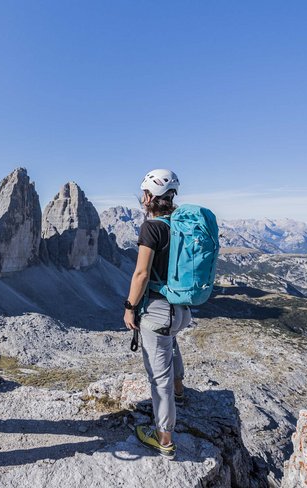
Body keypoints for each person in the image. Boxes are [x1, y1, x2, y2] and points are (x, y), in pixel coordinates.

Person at [123, 169, 191, 460]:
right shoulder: (181, 225)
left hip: (158, 311)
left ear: (149, 196)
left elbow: (141, 273)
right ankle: (180, 392)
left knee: (157, 377)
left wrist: (129, 307)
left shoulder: (152, 228)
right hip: (181, 309)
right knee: (171, 343)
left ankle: (164, 438)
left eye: (143, 194)